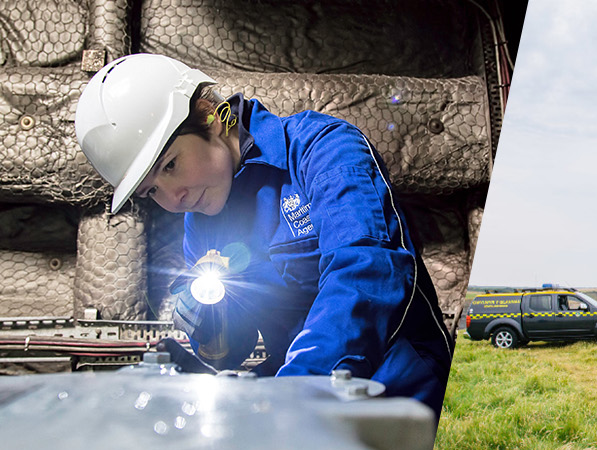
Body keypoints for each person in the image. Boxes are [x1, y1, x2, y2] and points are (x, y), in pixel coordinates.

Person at [73, 54, 453, 414]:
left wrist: (297, 388)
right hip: (297, 392)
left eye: (170, 165)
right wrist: (209, 329)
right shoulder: (202, 222)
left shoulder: (321, 149)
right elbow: (232, 351)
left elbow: (367, 270)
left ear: (211, 116)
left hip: (400, 386)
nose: (173, 199)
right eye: (151, 191)